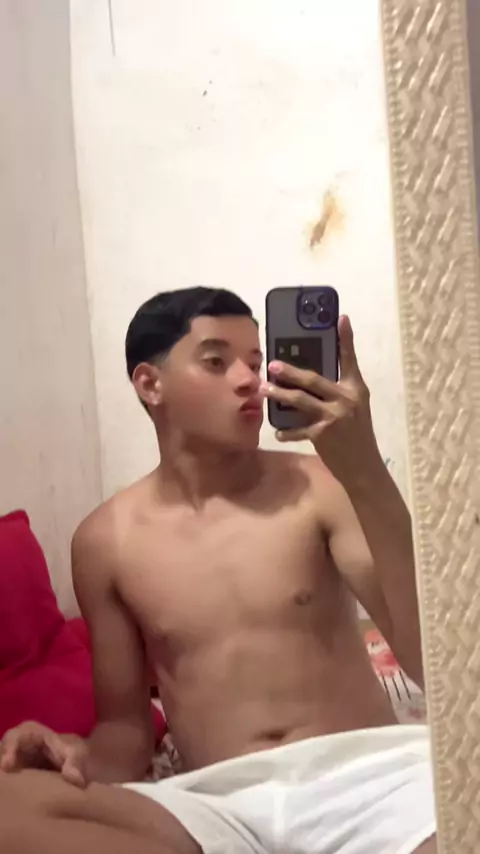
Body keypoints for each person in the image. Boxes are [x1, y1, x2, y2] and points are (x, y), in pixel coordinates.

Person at [0, 287, 436, 854]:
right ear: (150, 385)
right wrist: (72, 754)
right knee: (12, 804)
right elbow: (125, 731)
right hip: (217, 805)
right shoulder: (104, 542)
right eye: (216, 361)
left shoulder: (322, 487)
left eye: (256, 362)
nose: (249, 380)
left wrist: (365, 468)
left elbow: (435, 663)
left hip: (369, 780)